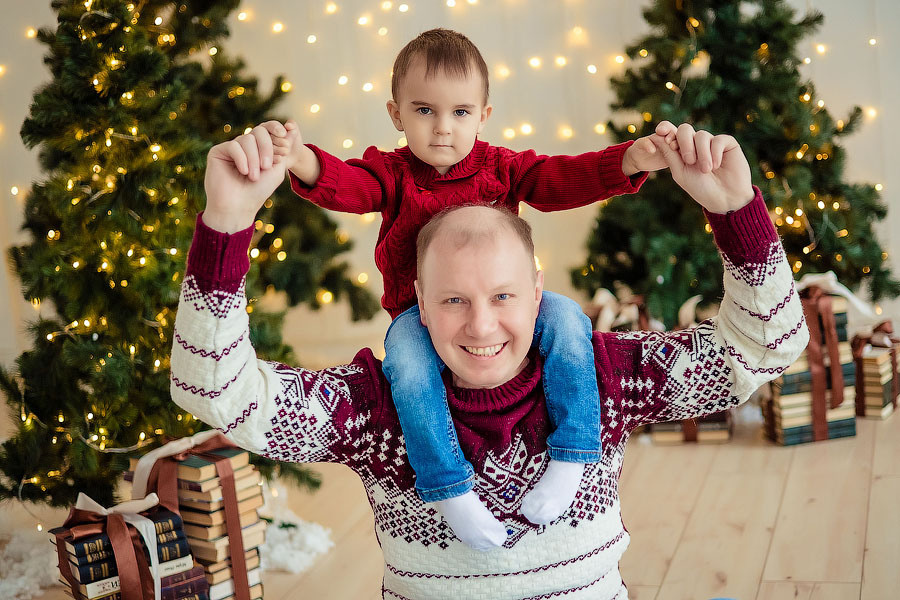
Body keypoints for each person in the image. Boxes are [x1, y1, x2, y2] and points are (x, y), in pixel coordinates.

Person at [175, 120, 809, 599]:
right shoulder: (374, 410)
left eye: (503, 296)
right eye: (453, 299)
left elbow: (766, 345)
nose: (481, 326)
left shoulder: (604, 376)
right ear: (418, 303)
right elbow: (218, 393)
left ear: (537, 293)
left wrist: (735, 210)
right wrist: (226, 222)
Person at [262, 28, 682, 548]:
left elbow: (559, 179)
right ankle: (449, 488)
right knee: (407, 366)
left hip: (505, 307)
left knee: (568, 319)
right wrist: (300, 158)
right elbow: (348, 186)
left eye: (460, 112)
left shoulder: (502, 168)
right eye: (424, 111)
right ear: (396, 114)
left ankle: (573, 455)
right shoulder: (392, 174)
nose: (443, 128)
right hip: (420, 317)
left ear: (483, 115)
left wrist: (629, 161)